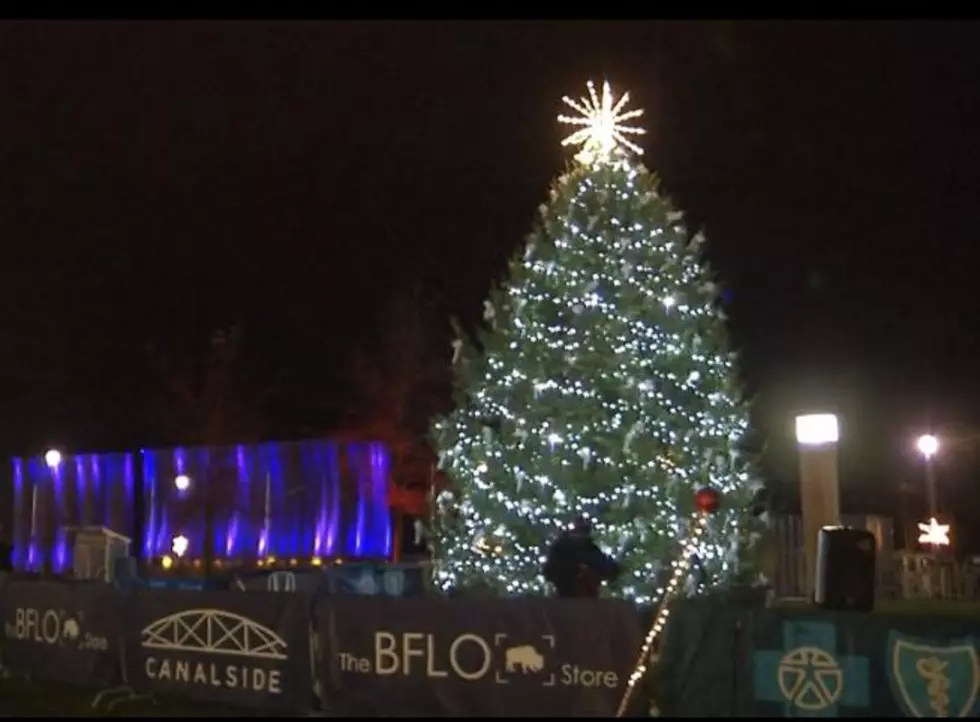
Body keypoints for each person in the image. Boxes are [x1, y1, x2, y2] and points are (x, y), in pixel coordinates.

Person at [543, 516, 620, 598]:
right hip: (565, 591)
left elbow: (609, 568)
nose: (580, 534)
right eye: (578, 530)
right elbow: (549, 571)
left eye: (583, 531)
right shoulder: (561, 548)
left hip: (588, 594)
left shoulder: (591, 549)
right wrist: (574, 570)